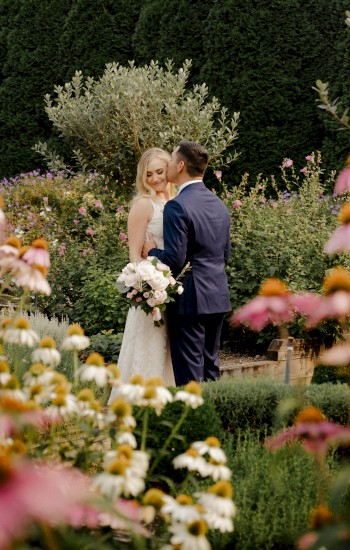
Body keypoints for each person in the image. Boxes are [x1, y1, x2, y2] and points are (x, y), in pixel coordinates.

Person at [142, 141, 231, 386]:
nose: (168, 165)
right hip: (218, 295)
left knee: (190, 375)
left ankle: (195, 423)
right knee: (211, 367)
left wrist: (151, 250)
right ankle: (215, 419)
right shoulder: (219, 205)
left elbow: (174, 259)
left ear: (180, 166)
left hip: (190, 299)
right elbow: (225, 255)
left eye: (171, 160)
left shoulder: (177, 206)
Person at [108, 148, 175, 399]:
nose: (156, 178)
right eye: (149, 174)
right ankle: (141, 402)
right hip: (152, 293)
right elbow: (135, 256)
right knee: (148, 348)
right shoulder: (143, 204)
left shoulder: (173, 202)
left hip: (174, 287)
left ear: (169, 169)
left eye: (160, 171)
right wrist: (150, 287)